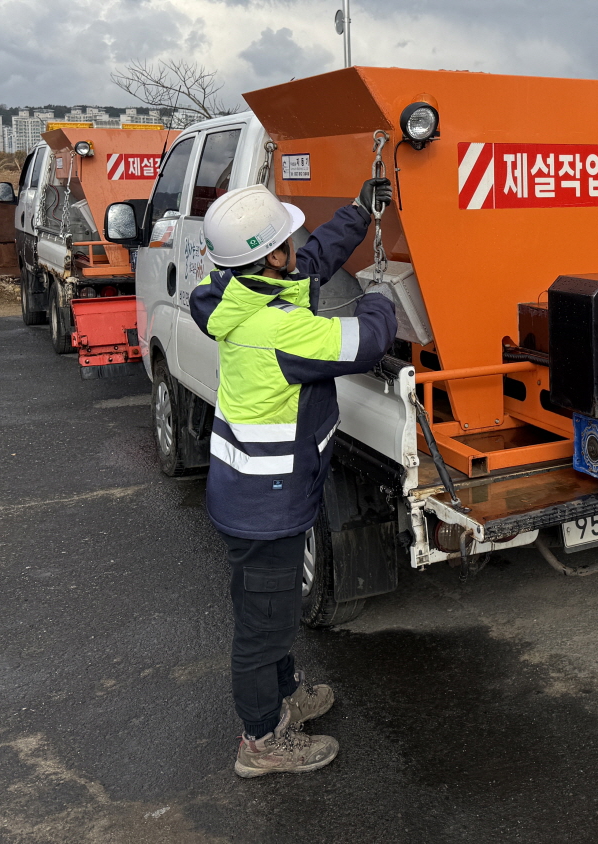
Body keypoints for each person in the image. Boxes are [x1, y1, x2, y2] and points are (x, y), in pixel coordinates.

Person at [190, 180, 397, 779]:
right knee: (264, 626)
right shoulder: (277, 329)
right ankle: (260, 742)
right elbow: (369, 339)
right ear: (268, 257)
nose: (295, 249)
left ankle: (285, 699)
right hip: (266, 506)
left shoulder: (233, 292)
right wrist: (380, 292)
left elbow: (311, 262)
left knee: (269, 611)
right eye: (286, 241)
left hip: (255, 493)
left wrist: (360, 212)